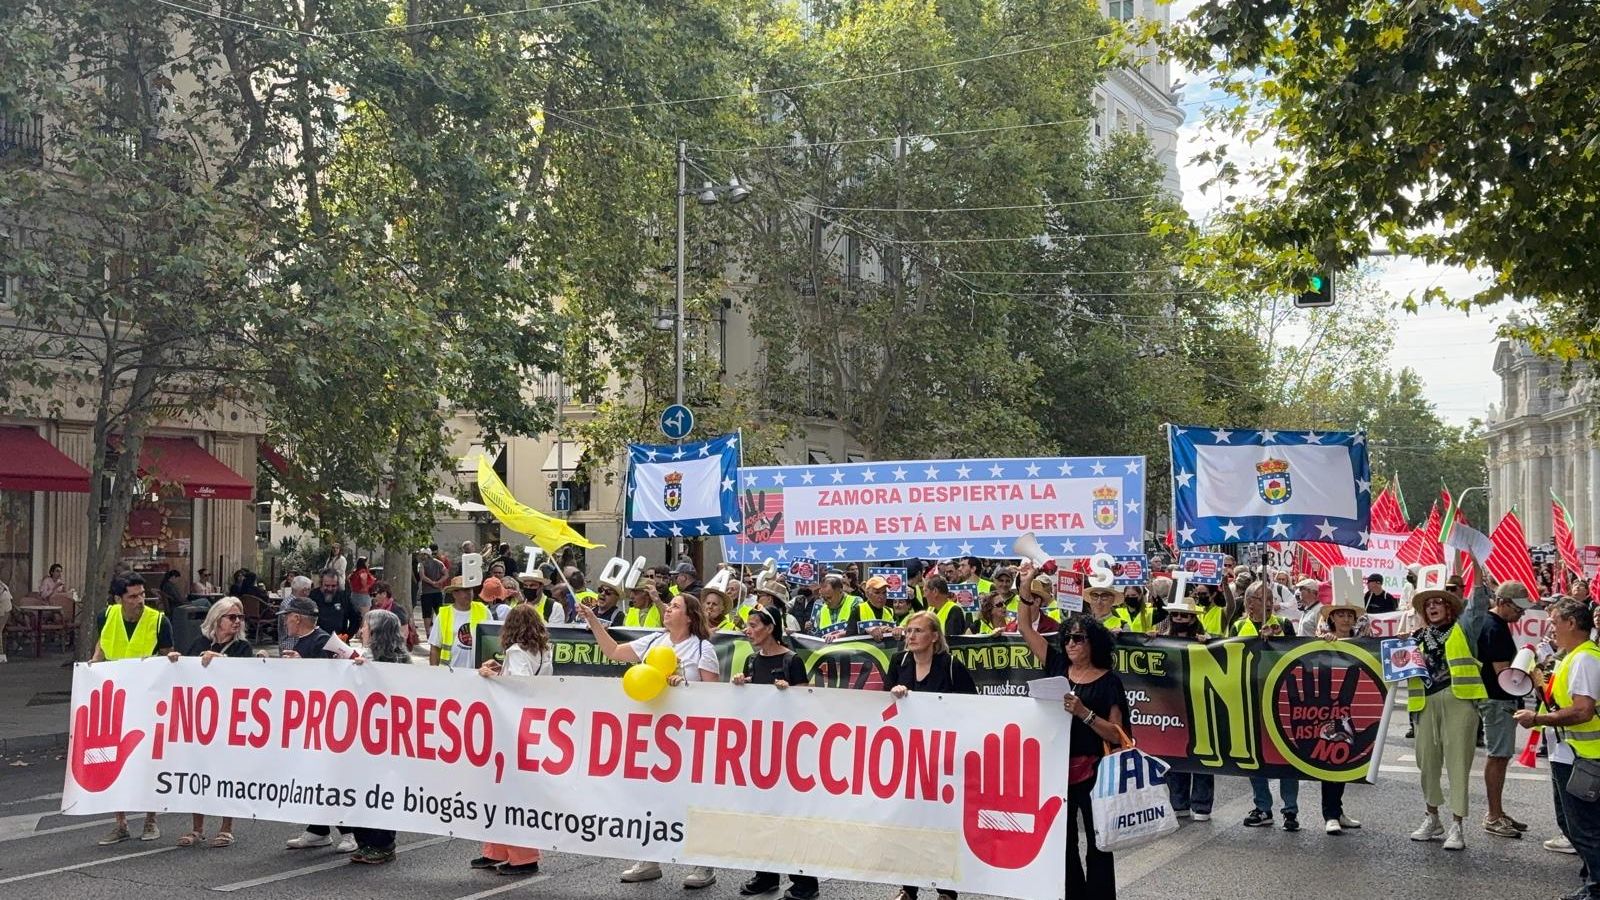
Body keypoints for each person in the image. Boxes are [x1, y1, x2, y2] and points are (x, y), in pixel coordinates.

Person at [578, 593, 720, 888]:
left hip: (690, 737)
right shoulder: (656, 641)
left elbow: (715, 696)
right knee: (651, 795)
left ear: (690, 617)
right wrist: (593, 621)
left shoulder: (703, 648)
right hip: (655, 734)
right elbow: (615, 652)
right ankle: (650, 858)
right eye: (669, 605)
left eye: (676, 606)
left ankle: (703, 864)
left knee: (693, 799)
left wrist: (686, 687)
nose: (668, 609)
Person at [1016, 593, 1128, 899]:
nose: (1071, 644)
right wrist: (1024, 590)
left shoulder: (1109, 682)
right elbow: (1025, 627)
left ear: (1094, 643)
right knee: (1062, 845)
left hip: (1094, 772)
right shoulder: (1055, 666)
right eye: (1067, 638)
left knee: (1098, 844)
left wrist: (1084, 713)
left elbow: (1118, 735)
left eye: (1078, 638)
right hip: (1056, 771)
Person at [888, 610, 975, 900]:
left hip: (944, 761)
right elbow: (883, 709)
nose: (910, 636)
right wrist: (894, 696)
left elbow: (974, 710)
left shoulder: (951, 666)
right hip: (908, 757)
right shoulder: (898, 663)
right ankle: (908, 887)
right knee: (908, 823)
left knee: (941, 824)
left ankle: (947, 890)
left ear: (934, 637)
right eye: (908, 631)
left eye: (918, 631)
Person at [732, 605, 817, 900]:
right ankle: (766, 874)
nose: (749, 630)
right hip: (761, 749)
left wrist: (790, 692)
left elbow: (808, 701)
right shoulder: (752, 661)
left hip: (789, 752)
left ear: (770, 628)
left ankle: (805, 882)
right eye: (747, 625)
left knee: (791, 816)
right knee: (761, 814)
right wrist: (741, 685)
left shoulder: (792, 660)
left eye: (754, 625)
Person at [1516, 599, 1600, 893]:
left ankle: (1596, 887)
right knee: (1572, 825)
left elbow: (1582, 711)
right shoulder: (1573, 656)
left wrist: (1537, 718)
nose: (1551, 628)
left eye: (1555, 622)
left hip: (1584, 757)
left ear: (1572, 623)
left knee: (1585, 829)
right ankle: (1592, 880)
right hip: (1568, 754)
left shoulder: (1585, 659)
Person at [1408, 568, 1490, 851]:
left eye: (1438, 602)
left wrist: (1477, 569)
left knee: (1458, 764)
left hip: (1459, 701)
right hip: (1425, 704)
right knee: (1426, 763)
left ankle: (1457, 825)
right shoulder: (1416, 637)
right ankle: (1433, 818)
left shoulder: (1464, 628)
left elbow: (1479, 604)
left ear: (1450, 607)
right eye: (1427, 604)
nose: (1432, 607)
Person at [166, 598, 254, 848]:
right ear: (217, 619)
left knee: (228, 772)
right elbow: (186, 670)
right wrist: (175, 661)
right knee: (198, 771)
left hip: (229, 719)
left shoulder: (242, 648)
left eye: (240, 618)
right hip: (201, 719)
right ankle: (197, 828)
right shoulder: (200, 644)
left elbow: (246, 675)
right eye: (232, 617)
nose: (237, 622)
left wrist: (220, 662)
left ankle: (227, 827)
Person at [471, 603, 552, 875]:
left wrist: (491, 675)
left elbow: (519, 685)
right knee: (504, 790)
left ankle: (523, 856)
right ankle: (497, 850)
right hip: (530, 724)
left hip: (513, 728)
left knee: (510, 791)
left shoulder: (517, 651)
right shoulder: (543, 651)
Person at [91, 574, 172, 845]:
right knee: (115, 761)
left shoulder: (159, 620)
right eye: (132, 596)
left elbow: (167, 655)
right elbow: (103, 642)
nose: (139, 601)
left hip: (148, 701)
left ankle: (151, 820)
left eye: (141, 595)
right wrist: (93, 664)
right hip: (115, 700)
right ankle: (121, 823)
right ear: (118, 599)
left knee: (149, 762)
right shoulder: (107, 616)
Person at [279, 596, 357, 853]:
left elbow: (348, 670)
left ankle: (349, 831)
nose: (286, 622)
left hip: (327, 722)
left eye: (288, 616)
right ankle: (318, 828)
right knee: (311, 775)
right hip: (307, 720)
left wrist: (303, 666)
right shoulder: (302, 642)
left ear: (297, 618)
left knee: (331, 776)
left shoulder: (325, 641)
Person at [346, 609, 409, 864]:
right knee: (358, 787)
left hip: (384, 739)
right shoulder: (362, 658)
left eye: (365, 627)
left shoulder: (396, 663)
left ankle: (383, 843)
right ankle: (364, 840)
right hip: (359, 737)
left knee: (380, 789)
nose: (361, 631)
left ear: (377, 632)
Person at [1151, 591, 1214, 821]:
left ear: (1193, 619)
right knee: (1175, 752)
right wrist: (1150, 641)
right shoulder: (1160, 636)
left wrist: (1209, 644)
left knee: (1202, 754)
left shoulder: (1207, 638)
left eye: (1184, 616)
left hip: (1200, 703)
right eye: (1175, 615)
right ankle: (1178, 802)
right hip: (1171, 704)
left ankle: (1202, 805)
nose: (1179, 619)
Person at [1478, 581, 1535, 838]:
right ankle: (1493, 815)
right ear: (1502, 602)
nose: (1521, 613)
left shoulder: (1494, 624)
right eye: (1518, 608)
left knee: (1500, 756)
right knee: (1498, 756)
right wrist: (1527, 673)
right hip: (1498, 699)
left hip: (1498, 699)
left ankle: (1497, 812)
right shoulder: (1494, 628)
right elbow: (1504, 675)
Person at [1316, 595, 1367, 835]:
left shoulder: (1362, 643)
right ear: (1332, 619)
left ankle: (1338, 810)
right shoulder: (1323, 642)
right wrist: (1324, 642)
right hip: (1327, 708)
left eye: (1350, 615)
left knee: (1345, 758)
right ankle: (1330, 814)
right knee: (1331, 758)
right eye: (1341, 615)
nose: (1346, 619)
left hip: (1351, 709)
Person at [430, 577, 490, 670]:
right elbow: (434, 647)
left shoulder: (483, 610)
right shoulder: (443, 614)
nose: (469, 593)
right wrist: (434, 672)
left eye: (470, 589)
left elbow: (492, 640)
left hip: (477, 673)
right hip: (450, 672)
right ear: (454, 593)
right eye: (464, 590)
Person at [309, 568, 360, 638]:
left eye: (333, 586)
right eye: (327, 585)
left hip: (339, 641)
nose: (330, 589)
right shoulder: (312, 597)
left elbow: (356, 617)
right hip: (317, 640)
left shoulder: (343, 597)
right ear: (321, 584)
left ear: (337, 584)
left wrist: (348, 635)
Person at [416, 548, 449, 637]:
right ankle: (441, 631)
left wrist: (432, 583)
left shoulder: (421, 564)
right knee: (439, 612)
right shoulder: (439, 563)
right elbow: (446, 574)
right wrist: (439, 582)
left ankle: (428, 633)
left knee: (427, 614)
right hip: (437, 591)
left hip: (426, 592)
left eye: (423, 554)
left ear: (427, 555)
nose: (422, 556)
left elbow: (422, 576)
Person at [812, 574, 857, 639]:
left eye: (829, 597)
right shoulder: (821, 611)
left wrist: (841, 635)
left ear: (840, 591)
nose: (826, 602)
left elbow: (862, 629)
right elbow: (818, 635)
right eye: (823, 598)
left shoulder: (855, 602)